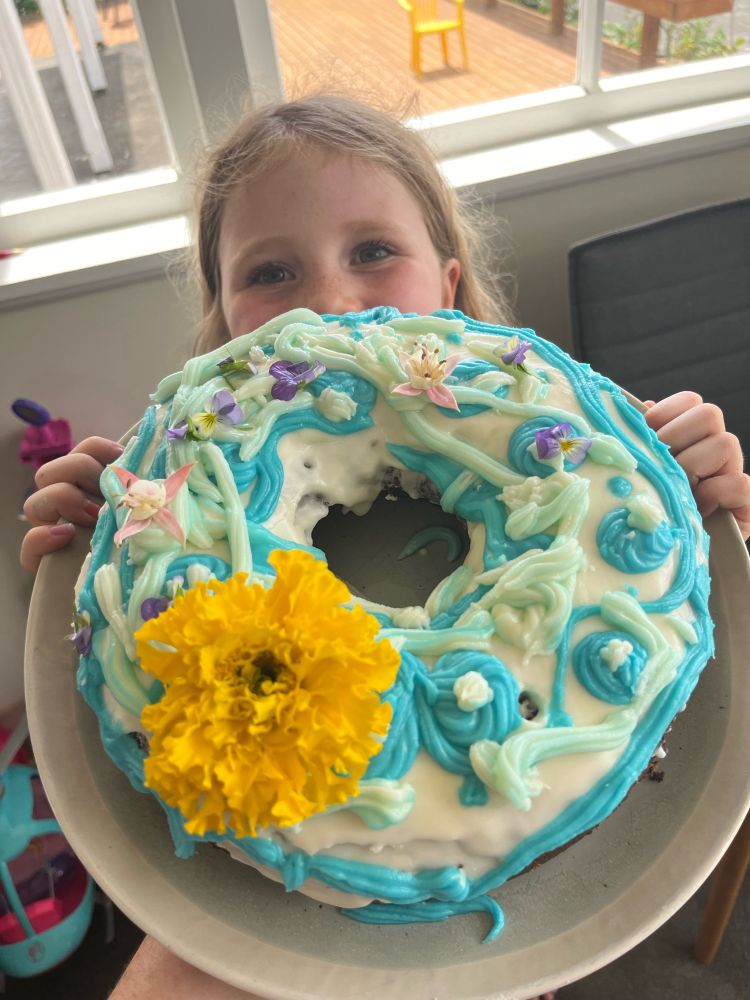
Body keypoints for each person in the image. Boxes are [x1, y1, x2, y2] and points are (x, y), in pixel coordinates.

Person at [19, 94, 750, 997]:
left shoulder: (569, 438)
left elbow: (657, 597)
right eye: (270, 271)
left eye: (373, 251)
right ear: (222, 317)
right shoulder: (181, 478)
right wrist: (97, 545)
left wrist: (701, 500)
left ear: (448, 284)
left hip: (507, 925)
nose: (328, 298)